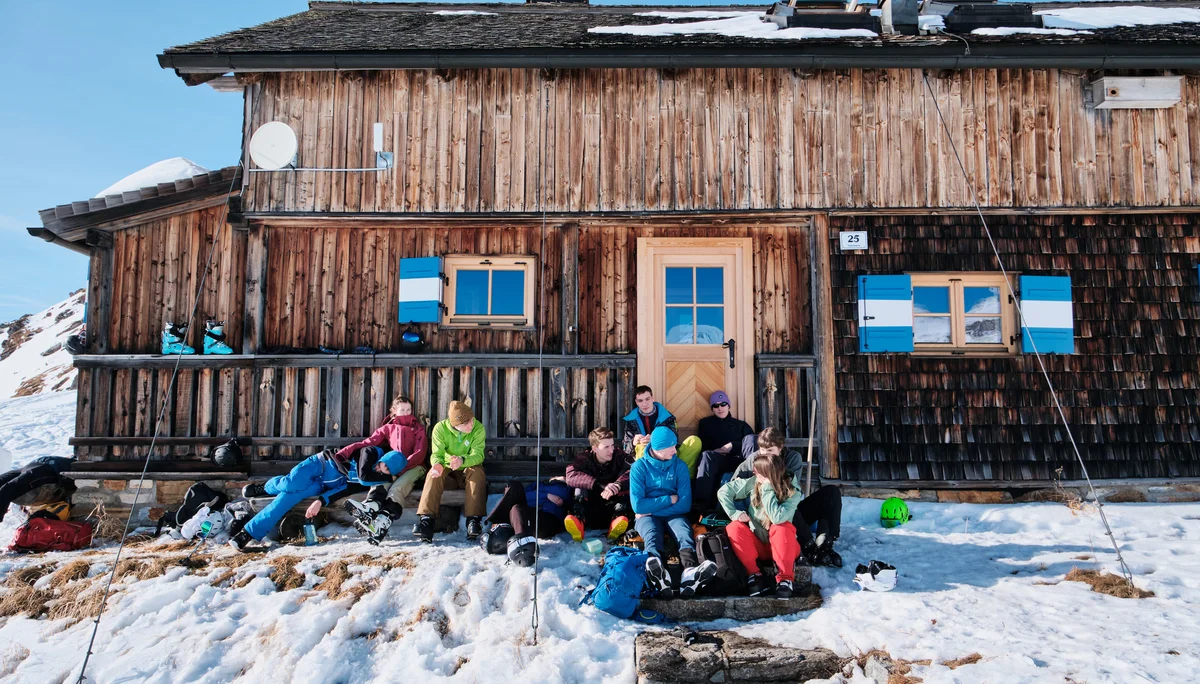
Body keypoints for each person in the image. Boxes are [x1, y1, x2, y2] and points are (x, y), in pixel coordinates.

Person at [231, 446, 406, 550]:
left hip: (322, 485)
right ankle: (265, 487)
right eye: (383, 466)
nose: (380, 471)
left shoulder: (370, 478)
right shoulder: (371, 452)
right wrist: (388, 478)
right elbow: (363, 477)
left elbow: (344, 489)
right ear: (383, 459)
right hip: (319, 464)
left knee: (284, 500)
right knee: (290, 483)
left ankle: (246, 534)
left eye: (386, 472)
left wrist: (320, 500)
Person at [732, 427, 843, 567]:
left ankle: (825, 543)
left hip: (790, 512)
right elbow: (734, 483)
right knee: (787, 504)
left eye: (771, 451)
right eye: (762, 450)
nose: (766, 455)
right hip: (766, 515)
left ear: (780, 448)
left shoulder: (792, 458)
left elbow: (789, 490)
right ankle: (809, 547)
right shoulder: (754, 459)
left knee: (831, 492)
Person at [629, 426, 716, 598]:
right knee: (651, 534)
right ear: (659, 448)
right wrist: (669, 499)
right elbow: (638, 506)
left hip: (670, 514)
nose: (675, 450)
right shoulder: (639, 468)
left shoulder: (679, 466)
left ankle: (689, 572)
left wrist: (651, 508)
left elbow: (684, 505)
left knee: (683, 533)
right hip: (650, 517)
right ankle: (659, 572)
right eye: (671, 447)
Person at [717, 451, 804, 598]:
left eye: (757, 472)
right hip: (759, 545)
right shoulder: (753, 483)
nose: (754, 473)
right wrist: (734, 513)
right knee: (734, 527)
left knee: (781, 526)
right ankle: (755, 575)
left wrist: (768, 489)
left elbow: (777, 518)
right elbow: (723, 491)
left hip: (785, 547)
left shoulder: (792, 492)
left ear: (767, 474)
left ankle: (785, 579)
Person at [336, 395, 429, 511]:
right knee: (380, 484)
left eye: (408, 410)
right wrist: (347, 451)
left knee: (397, 487)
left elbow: (420, 452)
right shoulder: (388, 428)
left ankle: (387, 515)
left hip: (415, 467)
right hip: (393, 467)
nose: (406, 413)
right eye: (402, 410)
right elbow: (369, 442)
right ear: (394, 411)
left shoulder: (418, 428)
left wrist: (401, 467)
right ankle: (370, 507)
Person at [414, 400, 487, 543]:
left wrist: (462, 460)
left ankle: (474, 520)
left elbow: (478, 455)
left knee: (477, 472)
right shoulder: (440, 429)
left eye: (471, 420)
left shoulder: (478, 428)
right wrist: (437, 464)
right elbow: (436, 454)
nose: (471, 424)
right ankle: (426, 521)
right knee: (433, 474)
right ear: (455, 425)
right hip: (448, 470)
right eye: (466, 424)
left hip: (467, 466)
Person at [563, 427, 633, 542]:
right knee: (579, 483)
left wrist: (617, 485)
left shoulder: (620, 456)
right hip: (590, 507)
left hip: (613, 507)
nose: (611, 450)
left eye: (612, 445)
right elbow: (570, 475)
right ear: (595, 448)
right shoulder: (584, 459)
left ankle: (617, 520)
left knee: (627, 480)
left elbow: (635, 470)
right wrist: (600, 485)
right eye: (606, 447)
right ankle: (578, 521)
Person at [482, 479, 573, 566]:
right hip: (527, 515)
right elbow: (523, 495)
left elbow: (566, 500)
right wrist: (546, 495)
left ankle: (515, 540)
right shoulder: (538, 484)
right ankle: (515, 538)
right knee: (514, 489)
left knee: (517, 508)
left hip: (548, 518)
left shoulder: (565, 488)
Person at [692, 390, 755, 513]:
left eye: (723, 404)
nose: (720, 408)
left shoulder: (741, 425)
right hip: (717, 459)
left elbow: (751, 445)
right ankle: (700, 504)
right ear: (712, 408)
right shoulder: (706, 424)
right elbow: (703, 444)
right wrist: (715, 451)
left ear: (728, 405)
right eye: (716, 405)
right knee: (706, 455)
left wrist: (733, 445)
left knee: (752, 439)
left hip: (739, 461)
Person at [621, 385, 702, 475]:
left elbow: (674, 438)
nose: (644, 404)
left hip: (668, 454)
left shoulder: (667, 417)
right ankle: (650, 480)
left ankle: (683, 476)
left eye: (647, 399)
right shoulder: (631, 420)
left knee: (694, 441)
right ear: (636, 402)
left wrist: (655, 439)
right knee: (641, 446)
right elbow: (625, 448)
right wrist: (633, 442)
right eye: (640, 401)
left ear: (652, 398)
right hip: (648, 460)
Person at [0, 456, 75, 523]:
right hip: (35, 465)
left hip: (48, 471)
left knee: (6, 490)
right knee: (5, 488)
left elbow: (6, 491)